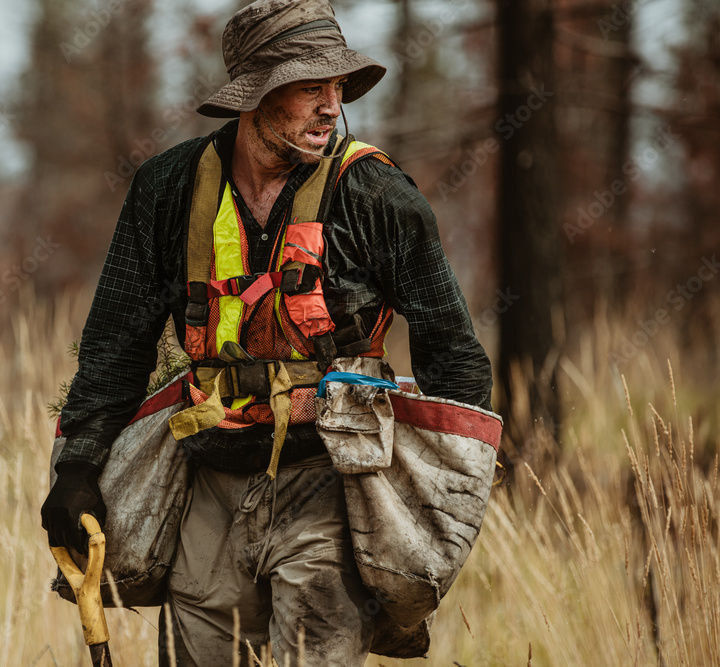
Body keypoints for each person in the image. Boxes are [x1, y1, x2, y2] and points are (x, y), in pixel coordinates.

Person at [42, 0, 493, 663]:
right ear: (255, 94)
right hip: (207, 479)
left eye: (337, 89)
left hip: (330, 483)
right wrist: (77, 469)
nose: (331, 107)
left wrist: (435, 500)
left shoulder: (375, 194)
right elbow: (115, 346)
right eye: (311, 87)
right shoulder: (165, 191)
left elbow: (455, 355)